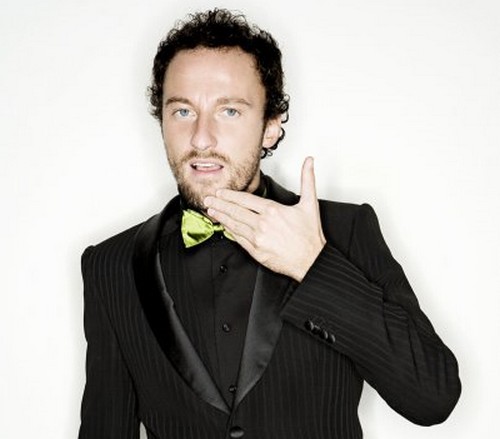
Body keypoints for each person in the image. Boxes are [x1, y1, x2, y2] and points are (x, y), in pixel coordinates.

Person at [78, 8, 461, 439]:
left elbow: (433, 398)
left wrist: (314, 265)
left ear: (271, 127)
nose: (201, 137)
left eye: (229, 111)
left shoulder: (345, 230)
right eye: (182, 111)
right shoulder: (111, 266)